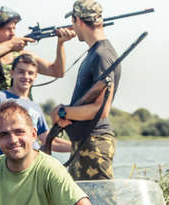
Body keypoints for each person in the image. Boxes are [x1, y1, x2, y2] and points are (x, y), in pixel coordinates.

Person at [0, 6, 75, 157]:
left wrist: (61, 43)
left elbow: (57, 71)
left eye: (14, 28)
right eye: (8, 29)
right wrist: (11, 45)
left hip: (27, 128)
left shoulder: (23, 56)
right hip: (1, 134)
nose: (13, 33)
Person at [50, 0, 121, 180]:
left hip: (94, 142)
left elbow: (101, 109)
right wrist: (65, 114)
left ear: (78, 21)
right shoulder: (95, 53)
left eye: (73, 22)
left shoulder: (101, 55)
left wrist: (63, 112)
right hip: (85, 142)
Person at [0, 54, 72, 155]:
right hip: (7, 163)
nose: (26, 76)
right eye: (21, 72)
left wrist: (76, 147)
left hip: (33, 163)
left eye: (30, 73)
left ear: (35, 76)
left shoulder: (35, 107)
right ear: (12, 73)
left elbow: (48, 140)